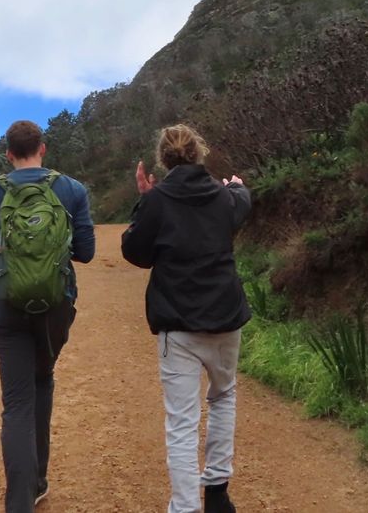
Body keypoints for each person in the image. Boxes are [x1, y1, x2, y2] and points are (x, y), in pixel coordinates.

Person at [0, 119, 95, 512]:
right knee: (43, 380)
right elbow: (84, 252)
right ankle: (38, 481)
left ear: (8, 154)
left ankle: (19, 501)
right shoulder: (71, 190)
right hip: (55, 306)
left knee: (16, 402)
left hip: (7, 307)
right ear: (43, 148)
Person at [121, 124, 251, 513]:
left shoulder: (158, 200)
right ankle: (217, 492)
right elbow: (241, 202)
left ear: (164, 159)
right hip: (226, 317)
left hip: (177, 324)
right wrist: (238, 187)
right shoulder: (225, 197)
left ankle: (184, 507)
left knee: (181, 422)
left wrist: (144, 200)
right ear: (199, 153)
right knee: (223, 396)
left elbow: (136, 252)